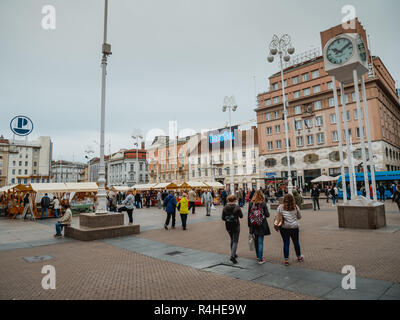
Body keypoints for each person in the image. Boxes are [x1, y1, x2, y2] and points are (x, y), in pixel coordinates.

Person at [275, 194, 303, 266]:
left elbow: (277, 217)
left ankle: (286, 260)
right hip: (294, 227)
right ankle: (299, 257)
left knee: (286, 243)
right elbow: (299, 217)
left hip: (284, 228)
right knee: (296, 242)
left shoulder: (280, 207)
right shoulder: (296, 207)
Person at [248, 190, 271, 264]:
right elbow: (267, 215)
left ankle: (258, 256)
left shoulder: (251, 203)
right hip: (262, 224)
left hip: (253, 225)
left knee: (256, 240)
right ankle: (260, 259)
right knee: (260, 242)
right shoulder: (263, 203)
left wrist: (249, 226)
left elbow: (249, 215)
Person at [222, 195, 243, 264]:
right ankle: (232, 256)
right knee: (235, 241)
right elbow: (241, 216)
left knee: (232, 239)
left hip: (228, 226)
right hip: (236, 225)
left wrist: (228, 218)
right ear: (234, 200)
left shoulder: (225, 207)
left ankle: (233, 253)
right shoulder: (237, 207)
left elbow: (223, 218)